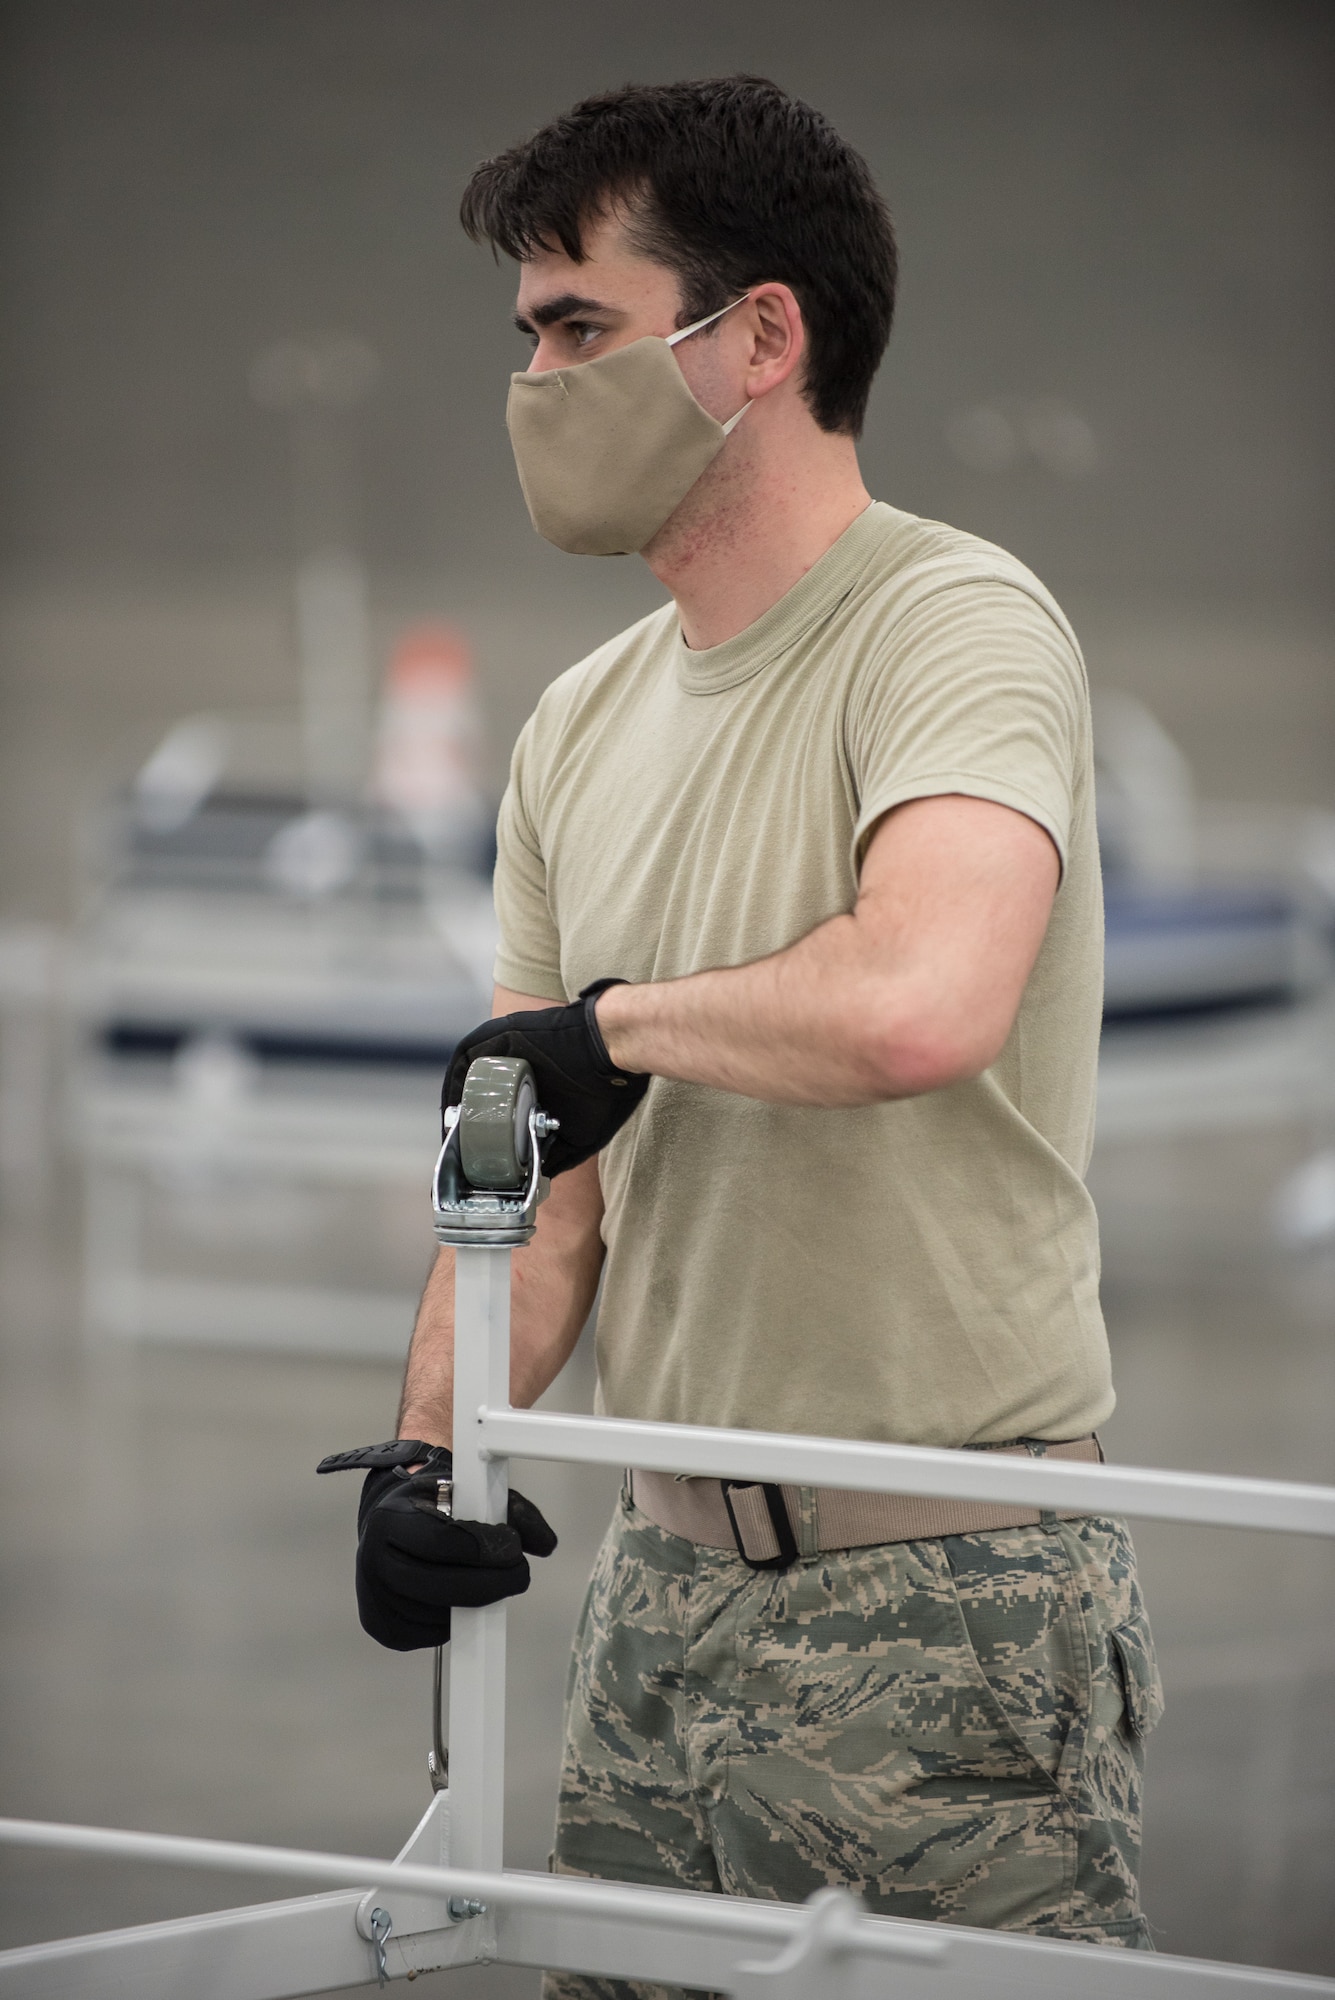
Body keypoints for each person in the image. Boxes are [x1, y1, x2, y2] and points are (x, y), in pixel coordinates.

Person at [321, 75, 1163, 1988]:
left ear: (760, 335)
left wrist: (617, 1024)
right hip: (654, 1606)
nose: (534, 379)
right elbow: (546, 1196)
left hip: (948, 1601)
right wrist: (421, 1456)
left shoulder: (953, 626)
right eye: (525, 336)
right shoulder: (579, 724)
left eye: (580, 328)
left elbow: (920, 1000)